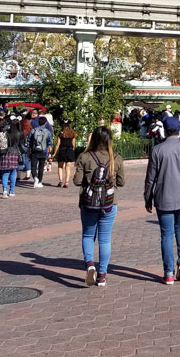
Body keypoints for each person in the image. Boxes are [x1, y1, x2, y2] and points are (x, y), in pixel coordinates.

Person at [144, 116, 180, 285]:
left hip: (163, 197)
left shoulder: (157, 150)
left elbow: (150, 178)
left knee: (166, 234)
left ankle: (169, 272)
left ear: (165, 130)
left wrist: (148, 198)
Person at [74, 125, 126, 287]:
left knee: (88, 236)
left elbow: (76, 181)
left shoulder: (85, 157)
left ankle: (90, 264)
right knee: (105, 239)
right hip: (110, 203)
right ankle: (102, 275)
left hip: (88, 202)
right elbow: (121, 182)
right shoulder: (116, 158)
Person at [27, 119, 53, 188]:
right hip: (43, 151)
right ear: (45, 123)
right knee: (41, 167)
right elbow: (50, 142)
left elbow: (28, 140)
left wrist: (29, 149)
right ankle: (40, 182)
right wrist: (49, 151)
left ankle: (35, 177)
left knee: (33, 167)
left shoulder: (33, 130)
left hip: (34, 150)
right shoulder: (47, 132)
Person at [52, 121, 77, 188]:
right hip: (69, 151)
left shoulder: (61, 134)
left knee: (60, 166)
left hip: (62, 150)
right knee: (68, 167)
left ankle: (60, 181)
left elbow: (57, 144)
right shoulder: (73, 134)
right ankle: (66, 182)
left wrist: (54, 153)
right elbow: (73, 145)